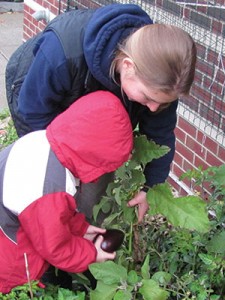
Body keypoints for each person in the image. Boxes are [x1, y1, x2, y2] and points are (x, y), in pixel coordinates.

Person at [5, 4, 197, 223]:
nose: (153, 108)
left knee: (94, 184)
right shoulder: (62, 52)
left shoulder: (161, 82)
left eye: (161, 103)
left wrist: (149, 188)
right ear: (128, 66)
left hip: (89, 103)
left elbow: (160, 134)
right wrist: (60, 174)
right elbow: (34, 116)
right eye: (148, 99)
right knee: (46, 181)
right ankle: (36, 231)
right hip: (36, 91)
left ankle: (85, 232)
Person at [0, 91, 133, 294]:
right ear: (93, 156)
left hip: (10, 225)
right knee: (16, 292)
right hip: (9, 261)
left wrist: (80, 229)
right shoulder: (49, 191)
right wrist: (92, 254)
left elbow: (53, 217)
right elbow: (55, 248)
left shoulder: (42, 142)